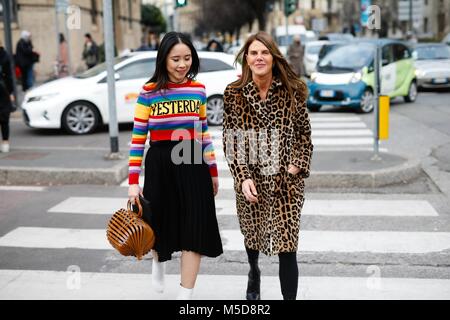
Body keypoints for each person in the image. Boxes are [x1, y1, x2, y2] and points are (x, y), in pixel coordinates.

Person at [127, 31, 223, 300]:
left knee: (195, 225)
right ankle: (158, 263)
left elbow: (203, 132)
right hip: (159, 162)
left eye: (187, 58)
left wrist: (213, 171)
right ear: (163, 60)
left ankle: (185, 296)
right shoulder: (148, 92)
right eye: (176, 59)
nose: (182, 65)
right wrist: (133, 183)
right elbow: (137, 140)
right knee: (160, 222)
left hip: (192, 159)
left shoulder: (198, 90)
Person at [222, 31, 313, 300]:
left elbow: (304, 136)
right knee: (252, 236)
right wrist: (243, 177)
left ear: (273, 57)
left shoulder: (292, 91)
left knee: (288, 248)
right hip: (251, 178)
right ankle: (254, 271)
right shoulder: (234, 94)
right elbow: (231, 140)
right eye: (253, 53)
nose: (259, 57)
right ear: (246, 59)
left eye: (264, 52)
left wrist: (295, 167)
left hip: (286, 183)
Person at [0, 42, 15, 153]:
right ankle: (5, 143)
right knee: (4, 118)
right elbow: (9, 76)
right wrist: (10, 92)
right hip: (3, 90)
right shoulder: (4, 55)